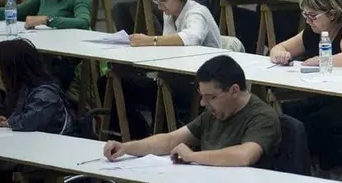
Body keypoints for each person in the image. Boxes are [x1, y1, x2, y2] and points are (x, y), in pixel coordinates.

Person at [101, 55, 281, 168]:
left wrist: (192, 156)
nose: (203, 103)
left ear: (234, 90)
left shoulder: (262, 117)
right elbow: (170, 140)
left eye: (211, 97)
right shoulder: (214, 113)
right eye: (202, 96)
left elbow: (244, 156)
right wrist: (126, 147)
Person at [271, 0, 342, 173]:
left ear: (332, 14)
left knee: (316, 121)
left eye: (313, 16)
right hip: (326, 97)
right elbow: (280, 47)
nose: (308, 21)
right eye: (305, 15)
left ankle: (334, 167)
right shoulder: (311, 32)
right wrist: (279, 54)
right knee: (285, 113)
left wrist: (319, 61)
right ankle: (301, 168)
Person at [0, 40, 73, 134]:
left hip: (51, 145)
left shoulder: (44, 95)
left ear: (6, 69)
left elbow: (28, 124)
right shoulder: (1, 91)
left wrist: (3, 123)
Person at [130, 0, 221, 48]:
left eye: (163, 0)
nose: (160, 7)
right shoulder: (169, 13)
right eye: (156, 1)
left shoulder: (197, 12)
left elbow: (193, 37)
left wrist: (151, 40)